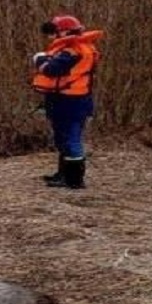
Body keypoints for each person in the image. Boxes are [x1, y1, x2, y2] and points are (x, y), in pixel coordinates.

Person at [32, 15, 104, 189]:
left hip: (69, 101)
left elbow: (51, 70)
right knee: (64, 139)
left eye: (53, 32)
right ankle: (63, 175)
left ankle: (73, 180)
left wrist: (39, 59)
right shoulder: (81, 47)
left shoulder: (72, 50)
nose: (50, 37)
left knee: (70, 139)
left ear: (65, 32)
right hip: (72, 100)